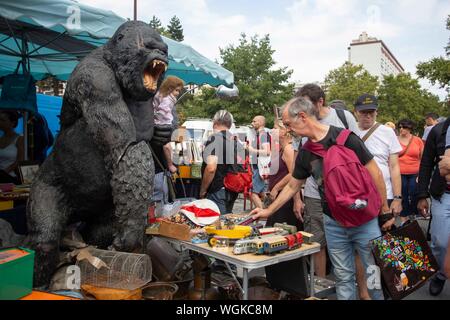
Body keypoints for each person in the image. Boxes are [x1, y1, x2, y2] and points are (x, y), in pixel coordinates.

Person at [251, 97, 393, 300]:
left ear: (302, 117)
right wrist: (268, 211)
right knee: (343, 277)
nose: (288, 129)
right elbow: (293, 186)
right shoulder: (306, 152)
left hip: (365, 219)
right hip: (334, 221)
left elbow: (375, 174)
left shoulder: (347, 138)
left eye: (289, 124)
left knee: (373, 273)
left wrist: (385, 210)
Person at [295, 83, 359, 279]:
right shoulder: (303, 122)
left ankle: (354, 285)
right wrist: (297, 198)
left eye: (306, 105)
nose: (302, 111)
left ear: (320, 102)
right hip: (315, 194)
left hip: (345, 191)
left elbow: (359, 151)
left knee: (351, 240)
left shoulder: (343, 117)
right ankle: (320, 284)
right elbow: (297, 166)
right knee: (316, 241)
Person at [354, 94, 403, 299]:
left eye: (371, 112)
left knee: (384, 249)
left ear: (377, 112)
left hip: (385, 199)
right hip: (359, 200)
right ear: (356, 112)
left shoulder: (387, 132)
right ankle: (365, 293)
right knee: (362, 249)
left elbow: (394, 166)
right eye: (364, 112)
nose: (367, 116)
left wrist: (398, 198)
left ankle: (387, 289)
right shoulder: (349, 132)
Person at [264, 121, 306, 294]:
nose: (272, 130)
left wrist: (276, 188)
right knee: (274, 238)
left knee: (283, 239)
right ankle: (277, 282)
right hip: (279, 200)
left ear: (285, 132)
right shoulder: (280, 149)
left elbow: (294, 175)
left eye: (276, 128)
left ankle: (290, 286)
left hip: (286, 202)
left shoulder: (289, 149)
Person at [419, 116, 450, 296]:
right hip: (442, 196)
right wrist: (422, 195)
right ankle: (441, 274)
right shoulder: (437, 131)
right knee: (440, 242)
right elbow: (426, 164)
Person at [200, 110, 242, 214]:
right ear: (230, 124)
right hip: (232, 189)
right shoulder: (235, 141)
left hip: (217, 190)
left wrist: (203, 189)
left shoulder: (215, 139)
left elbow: (211, 168)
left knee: (217, 226)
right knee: (226, 225)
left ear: (215, 123)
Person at [397, 119, 424, 224]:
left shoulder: (417, 140)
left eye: (403, 127)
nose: (401, 129)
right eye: (399, 127)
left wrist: (421, 173)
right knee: (402, 193)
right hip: (400, 172)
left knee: (414, 192)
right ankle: (404, 215)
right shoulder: (394, 139)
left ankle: (413, 212)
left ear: (409, 128)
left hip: (415, 172)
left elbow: (423, 158)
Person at [247, 115, 271, 208]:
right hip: (260, 167)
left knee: (253, 193)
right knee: (261, 192)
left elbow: (267, 151)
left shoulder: (263, 134)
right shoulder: (260, 134)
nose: (252, 123)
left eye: (254, 121)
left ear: (261, 123)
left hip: (260, 167)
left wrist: (251, 150)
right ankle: (270, 209)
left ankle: (262, 213)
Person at [0, 110, 24, 184]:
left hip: (11, 178)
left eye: (2, 120)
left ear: (12, 123)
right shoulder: (0, 139)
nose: (0, 122)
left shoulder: (19, 139)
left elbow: (20, 160)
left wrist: (5, 172)